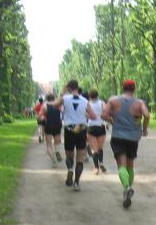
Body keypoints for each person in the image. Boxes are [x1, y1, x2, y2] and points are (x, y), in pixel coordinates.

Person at [103, 79, 150, 208]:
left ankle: (127, 187)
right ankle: (127, 190)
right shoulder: (139, 103)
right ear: (134, 89)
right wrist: (144, 129)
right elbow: (147, 115)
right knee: (130, 165)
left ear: (122, 88)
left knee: (121, 165)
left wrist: (112, 121)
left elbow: (104, 115)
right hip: (133, 137)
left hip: (118, 136)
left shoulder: (113, 100)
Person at [53, 80, 94, 191]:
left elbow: (55, 105)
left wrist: (62, 93)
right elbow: (93, 116)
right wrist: (85, 115)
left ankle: (70, 169)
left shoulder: (65, 98)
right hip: (81, 128)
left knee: (69, 156)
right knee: (80, 158)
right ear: (78, 87)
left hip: (69, 128)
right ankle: (76, 183)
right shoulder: (85, 100)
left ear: (68, 88)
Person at [87, 89, 108, 174]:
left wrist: (89, 116)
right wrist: (107, 121)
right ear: (97, 95)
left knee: (93, 149)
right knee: (100, 148)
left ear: (90, 96)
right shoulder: (102, 103)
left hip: (91, 127)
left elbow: (84, 113)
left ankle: (96, 168)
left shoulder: (87, 104)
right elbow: (106, 112)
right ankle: (101, 163)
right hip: (101, 126)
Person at [41, 93, 63, 166]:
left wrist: (42, 118)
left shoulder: (45, 106)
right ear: (54, 98)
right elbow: (63, 112)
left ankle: (53, 160)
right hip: (57, 125)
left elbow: (40, 116)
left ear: (47, 98)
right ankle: (57, 151)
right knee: (57, 143)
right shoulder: (58, 105)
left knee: (48, 145)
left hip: (49, 125)